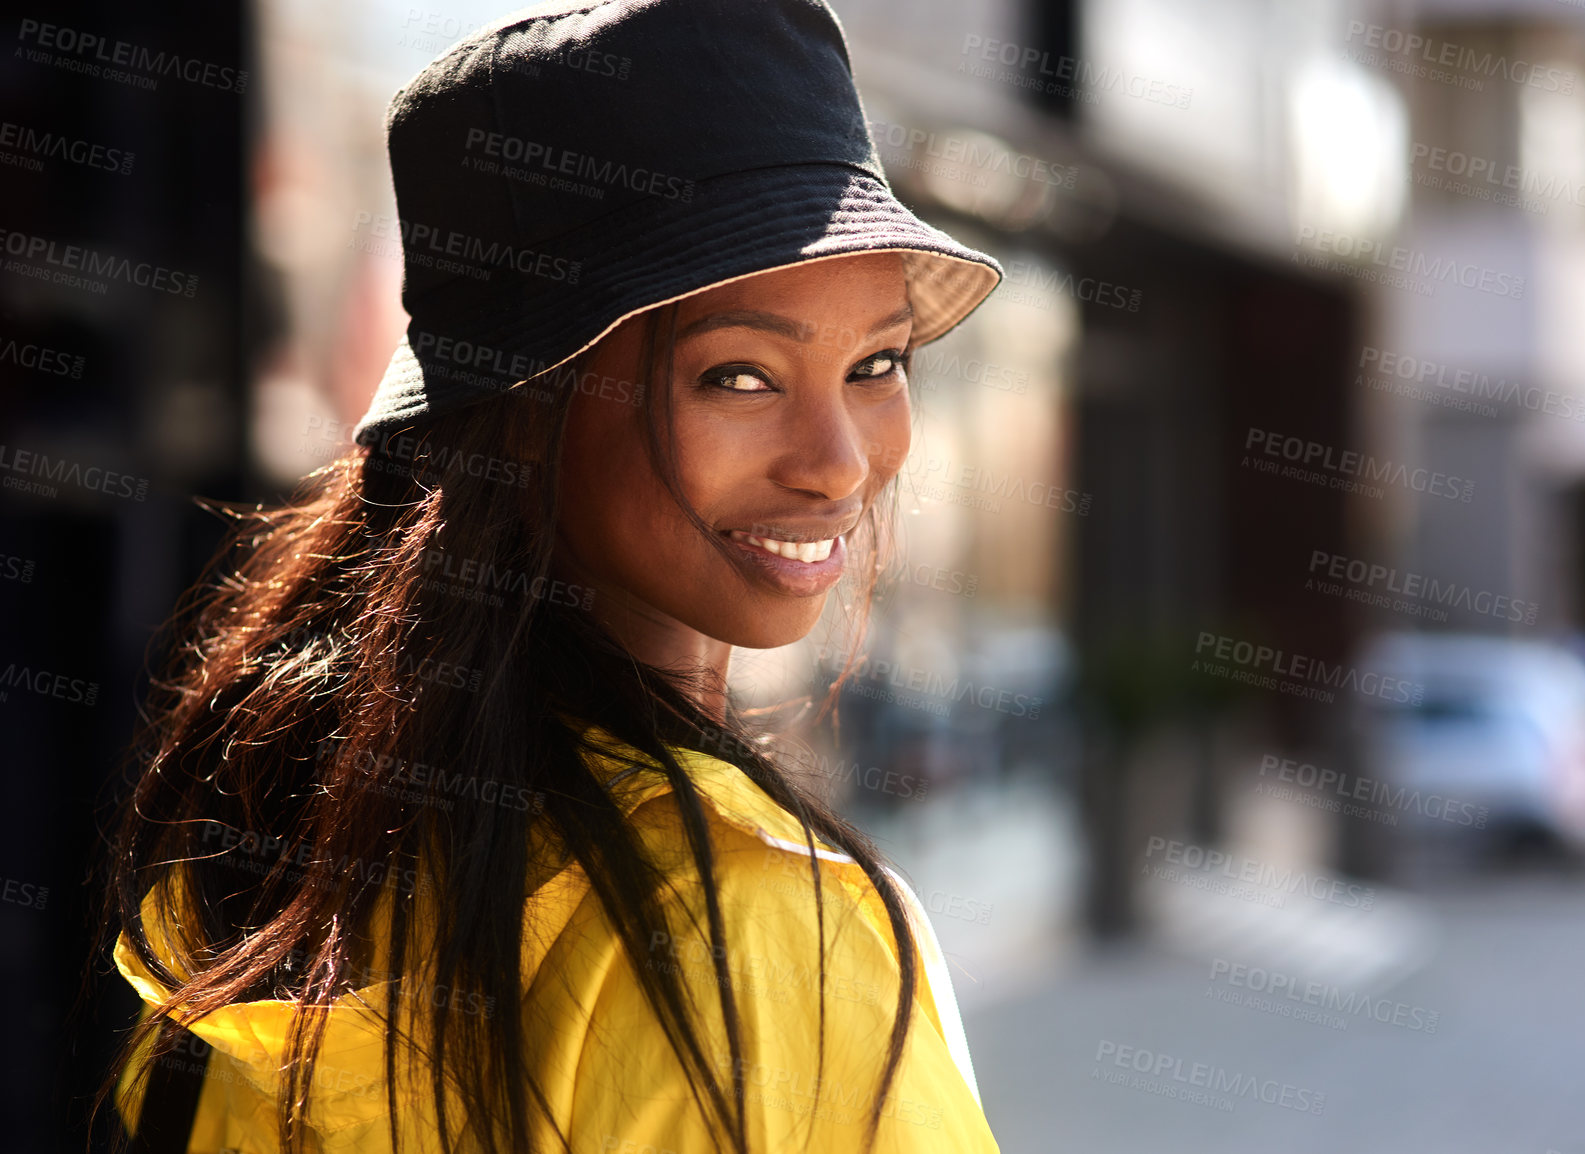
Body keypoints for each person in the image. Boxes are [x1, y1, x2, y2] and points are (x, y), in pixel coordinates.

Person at [95, 1, 1004, 1151]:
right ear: (522, 410)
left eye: (876, 362)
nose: (838, 461)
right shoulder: (761, 935)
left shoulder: (276, 863)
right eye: (737, 375)